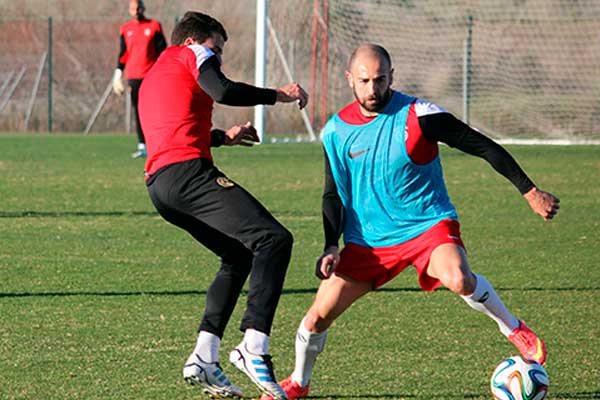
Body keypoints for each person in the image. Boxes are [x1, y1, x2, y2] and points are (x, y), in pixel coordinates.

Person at [261, 44, 560, 400]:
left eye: (381, 79)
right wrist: (330, 245)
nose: (374, 89)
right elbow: (333, 195)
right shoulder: (336, 132)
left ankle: (513, 328)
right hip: (368, 242)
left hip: (427, 226)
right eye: (365, 81)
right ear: (350, 80)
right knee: (316, 319)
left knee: (458, 277)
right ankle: (298, 382)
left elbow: (480, 145)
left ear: (392, 76)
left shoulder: (420, 115)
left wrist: (530, 191)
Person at [138, 11, 309, 400]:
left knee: (237, 256)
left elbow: (172, 126)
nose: (216, 59)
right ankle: (254, 346)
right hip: (188, 177)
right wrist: (279, 95)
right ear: (193, 41)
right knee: (274, 239)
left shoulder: (156, 72)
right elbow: (224, 91)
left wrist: (222, 137)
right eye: (215, 48)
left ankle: (204, 355)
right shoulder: (193, 54)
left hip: (160, 185)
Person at [112, 0, 167, 158]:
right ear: (130, 10)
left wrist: (163, 73)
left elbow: (162, 51)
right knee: (139, 111)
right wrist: (117, 74)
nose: (136, 11)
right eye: (133, 8)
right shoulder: (125, 29)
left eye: (138, 8)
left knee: (155, 110)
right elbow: (123, 54)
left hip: (151, 76)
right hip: (134, 77)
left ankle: (158, 144)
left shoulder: (154, 26)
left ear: (143, 8)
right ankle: (142, 145)